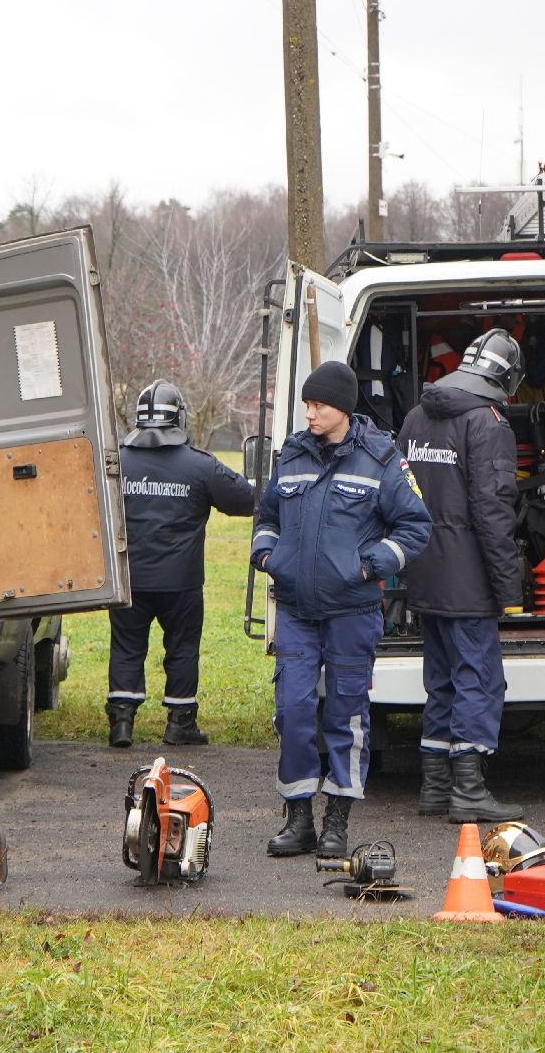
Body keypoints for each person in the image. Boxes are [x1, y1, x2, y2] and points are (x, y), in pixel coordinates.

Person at [251, 360, 431, 859]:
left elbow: (415, 526)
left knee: (348, 716)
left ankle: (338, 820)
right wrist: (269, 556)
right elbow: (266, 517)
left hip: (352, 612)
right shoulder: (291, 454)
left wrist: (368, 566)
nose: (309, 413)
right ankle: (299, 818)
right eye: (307, 404)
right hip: (297, 610)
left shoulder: (381, 459)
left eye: (319, 405)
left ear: (344, 410)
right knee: (291, 712)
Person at [395, 328, 527, 823]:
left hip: (424, 571)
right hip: (468, 578)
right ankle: (469, 792)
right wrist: (507, 586)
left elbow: (403, 495)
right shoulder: (488, 423)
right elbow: (494, 512)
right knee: (479, 679)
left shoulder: (414, 417)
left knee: (441, 681)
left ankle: (434, 786)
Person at [106, 380, 255, 748]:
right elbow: (246, 500)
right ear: (181, 419)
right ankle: (180, 723)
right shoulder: (199, 466)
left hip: (129, 579)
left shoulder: (115, 461)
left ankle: (121, 723)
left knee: (126, 645)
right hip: (181, 582)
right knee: (183, 648)